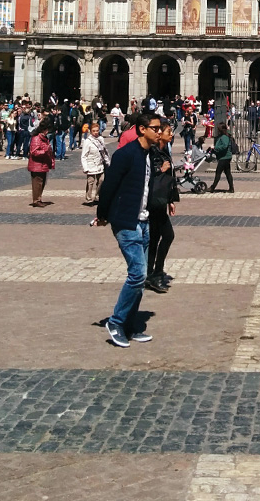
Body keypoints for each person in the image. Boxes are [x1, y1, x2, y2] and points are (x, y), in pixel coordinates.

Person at [95, 113, 163, 348]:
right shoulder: (125, 155)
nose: (159, 132)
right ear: (142, 130)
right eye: (155, 128)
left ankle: (130, 325)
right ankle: (115, 322)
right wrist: (102, 215)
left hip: (143, 222)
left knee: (140, 277)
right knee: (137, 274)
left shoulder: (149, 155)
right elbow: (108, 187)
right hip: (126, 222)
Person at [146, 120, 179, 293]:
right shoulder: (152, 152)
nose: (171, 134)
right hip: (153, 203)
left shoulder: (165, 149)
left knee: (158, 238)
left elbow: (170, 178)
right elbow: (149, 175)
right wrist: (161, 169)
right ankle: (154, 274)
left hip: (160, 201)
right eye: (168, 131)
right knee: (163, 237)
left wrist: (171, 200)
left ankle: (151, 273)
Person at [27, 116, 55, 207]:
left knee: (42, 183)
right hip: (37, 164)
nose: (47, 132)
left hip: (43, 164)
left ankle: (39, 199)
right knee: (37, 183)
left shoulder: (44, 138)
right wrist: (45, 151)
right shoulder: (36, 138)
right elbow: (34, 152)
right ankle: (36, 200)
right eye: (46, 130)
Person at [81, 120, 109, 205]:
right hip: (91, 164)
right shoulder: (87, 141)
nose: (96, 132)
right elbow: (84, 156)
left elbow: (104, 152)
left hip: (100, 164)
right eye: (94, 131)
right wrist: (85, 167)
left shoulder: (101, 139)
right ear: (90, 131)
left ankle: (97, 196)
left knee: (101, 180)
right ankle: (89, 198)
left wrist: (108, 162)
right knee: (90, 182)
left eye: (97, 130)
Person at [208, 122, 234, 193]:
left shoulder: (224, 137)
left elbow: (224, 146)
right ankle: (231, 188)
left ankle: (212, 187)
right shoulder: (223, 136)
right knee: (227, 173)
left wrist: (215, 147)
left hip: (224, 157)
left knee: (218, 172)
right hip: (224, 157)